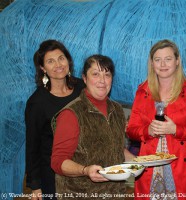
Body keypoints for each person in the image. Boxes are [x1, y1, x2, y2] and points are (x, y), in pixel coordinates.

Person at [51, 54, 135, 199]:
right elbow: (58, 162)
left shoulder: (117, 110)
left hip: (115, 194)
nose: (102, 80)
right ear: (84, 78)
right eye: (95, 74)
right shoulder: (71, 113)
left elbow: (115, 148)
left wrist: (138, 162)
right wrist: (85, 170)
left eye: (107, 74)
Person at [126, 39, 186, 199]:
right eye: (157, 59)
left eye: (168, 59)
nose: (163, 64)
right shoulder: (143, 91)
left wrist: (175, 130)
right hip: (149, 166)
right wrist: (147, 131)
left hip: (183, 166)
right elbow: (131, 130)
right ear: (152, 63)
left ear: (177, 61)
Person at [25, 39, 85, 200]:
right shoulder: (37, 102)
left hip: (86, 169)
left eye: (61, 58)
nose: (58, 64)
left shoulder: (83, 88)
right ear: (43, 68)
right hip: (54, 176)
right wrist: (35, 186)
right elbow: (32, 145)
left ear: (68, 61)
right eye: (50, 61)